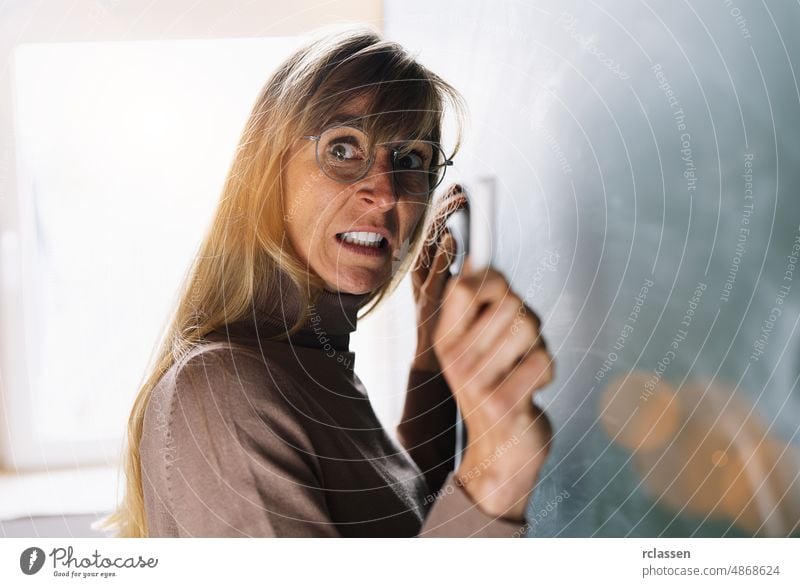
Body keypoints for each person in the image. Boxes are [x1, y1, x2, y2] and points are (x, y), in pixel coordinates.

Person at [99, 24, 554, 538]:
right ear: (267, 171)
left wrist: (431, 356)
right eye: (343, 148)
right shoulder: (227, 392)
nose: (383, 192)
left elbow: (395, 519)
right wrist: (494, 474)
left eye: (409, 160)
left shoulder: (310, 362)